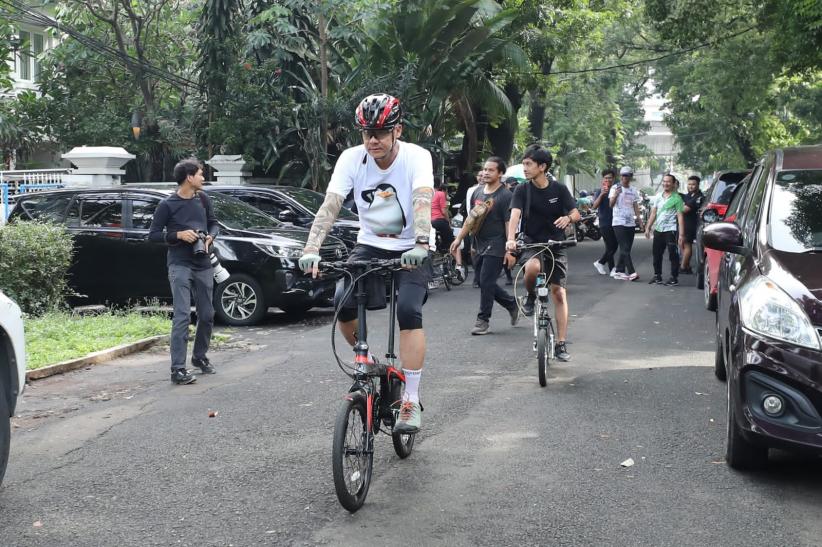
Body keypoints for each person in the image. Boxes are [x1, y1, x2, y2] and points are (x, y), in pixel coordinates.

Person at [298, 93, 432, 434]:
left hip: (410, 248)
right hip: (369, 246)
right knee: (341, 301)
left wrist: (419, 243)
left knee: (408, 311)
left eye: (381, 132)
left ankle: (410, 401)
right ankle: (371, 365)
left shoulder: (417, 156)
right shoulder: (351, 159)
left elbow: (420, 200)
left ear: (397, 131)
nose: (373, 140)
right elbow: (331, 205)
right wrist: (311, 248)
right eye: (366, 133)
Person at [505, 146, 580, 362]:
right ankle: (530, 295)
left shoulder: (559, 189)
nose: (525, 168)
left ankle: (560, 344)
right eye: (524, 163)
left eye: (529, 164)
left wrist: (569, 219)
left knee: (558, 293)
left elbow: (574, 211)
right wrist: (510, 239)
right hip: (532, 242)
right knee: (533, 269)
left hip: (557, 243)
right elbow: (514, 216)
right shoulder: (522, 190)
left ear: (542, 167)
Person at [148, 159, 219, 385]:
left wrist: (210, 236)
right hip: (179, 264)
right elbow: (154, 235)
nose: (203, 178)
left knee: (207, 315)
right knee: (182, 316)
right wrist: (178, 235)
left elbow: (214, 223)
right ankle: (177, 369)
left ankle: (199, 357)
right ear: (189, 177)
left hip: (203, 262)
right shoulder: (167, 205)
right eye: (200, 174)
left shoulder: (203, 199)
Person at [451, 156, 518, 335]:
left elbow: (508, 224)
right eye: (485, 169)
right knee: (482, 282)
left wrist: (509, 250)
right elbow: (470, 219)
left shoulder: (505, 196)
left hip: (497, 244)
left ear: (500, 173)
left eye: (491, 170)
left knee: (487, 281)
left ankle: (483, 321)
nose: (486, 173)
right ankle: (511, 303)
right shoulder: (477, 192)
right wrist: (459, 240)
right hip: (478, 243)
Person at [645, 174, 686, 285]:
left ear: (673, 184)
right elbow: (653, 213)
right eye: (664, 181)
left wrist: (681, 235)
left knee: (673, 254)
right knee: (657, 254)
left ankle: (674, 277)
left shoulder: (677, 198)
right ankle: (657, 276)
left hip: (671, 230)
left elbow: (680, 216)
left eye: (668, 182)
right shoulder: (658, 196)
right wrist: (648, 227)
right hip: (658, 230)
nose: (665, 183)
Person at [609, 166, 644, 281]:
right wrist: (616, 194)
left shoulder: (633, 190)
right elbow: (611, 204)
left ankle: (619, 270)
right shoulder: (615, 188)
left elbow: (635, 205)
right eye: (623, 175)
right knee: (624, 247)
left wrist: (639, 219)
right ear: (620, 176)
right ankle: (632, 272)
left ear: (630, 177)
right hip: (618, 222)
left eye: (627, 175)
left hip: (630, 222)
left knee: (626, 248)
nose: (625, 177)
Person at [431, 177, 464, 278]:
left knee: (434, 244)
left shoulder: (426, 194)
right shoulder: (440, 194)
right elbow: (444, 211)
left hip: (429, 222)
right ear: (439, 184)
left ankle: (439, 252)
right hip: (439, 221)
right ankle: (459, 266)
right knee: (454, 242)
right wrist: (448, 222)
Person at [591, 169, 617, 275]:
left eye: (610, 178)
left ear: (613, 178)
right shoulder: (599, 191)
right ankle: (610, 268)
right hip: (604, 222)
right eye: (606, 178)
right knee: (611, 246)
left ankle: (602, 264)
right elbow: (594, 206)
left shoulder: (616, 189)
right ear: (603, 179)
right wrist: (602, 194)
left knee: (613, 246)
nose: (608, 180)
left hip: (616, 221)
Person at [680, 175, 704, 274]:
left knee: (687, 244)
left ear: (698, 185)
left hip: (691, 224)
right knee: (683, 244)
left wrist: (679, 206)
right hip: (684, 223)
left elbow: (684, 209)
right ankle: (686, 265)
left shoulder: (699, 197)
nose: (691, 186)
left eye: (693, 184)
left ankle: (683, 267)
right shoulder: (688, 196)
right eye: (689, 184)